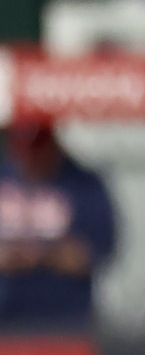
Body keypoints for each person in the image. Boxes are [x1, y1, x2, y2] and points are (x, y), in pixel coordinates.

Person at [0, 124, 118, 330]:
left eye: (37, 149)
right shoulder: (5, 176)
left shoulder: (83, 184)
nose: (29, 159)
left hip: (66, 321)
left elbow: (90, 254)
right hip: (7, 317)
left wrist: (39, 253)